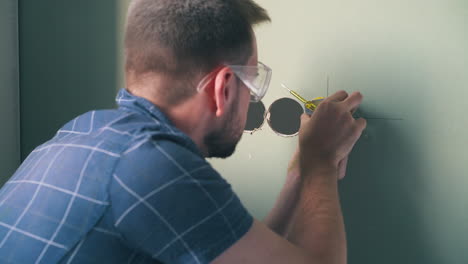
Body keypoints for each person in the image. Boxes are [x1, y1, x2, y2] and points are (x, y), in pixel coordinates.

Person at [0, 0, 366, 263]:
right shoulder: (151, 169)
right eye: (252, 81)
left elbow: (231, 248)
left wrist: (302, 171)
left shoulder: (85, 132)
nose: (252, 95)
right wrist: (320, 162)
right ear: (223, 87)